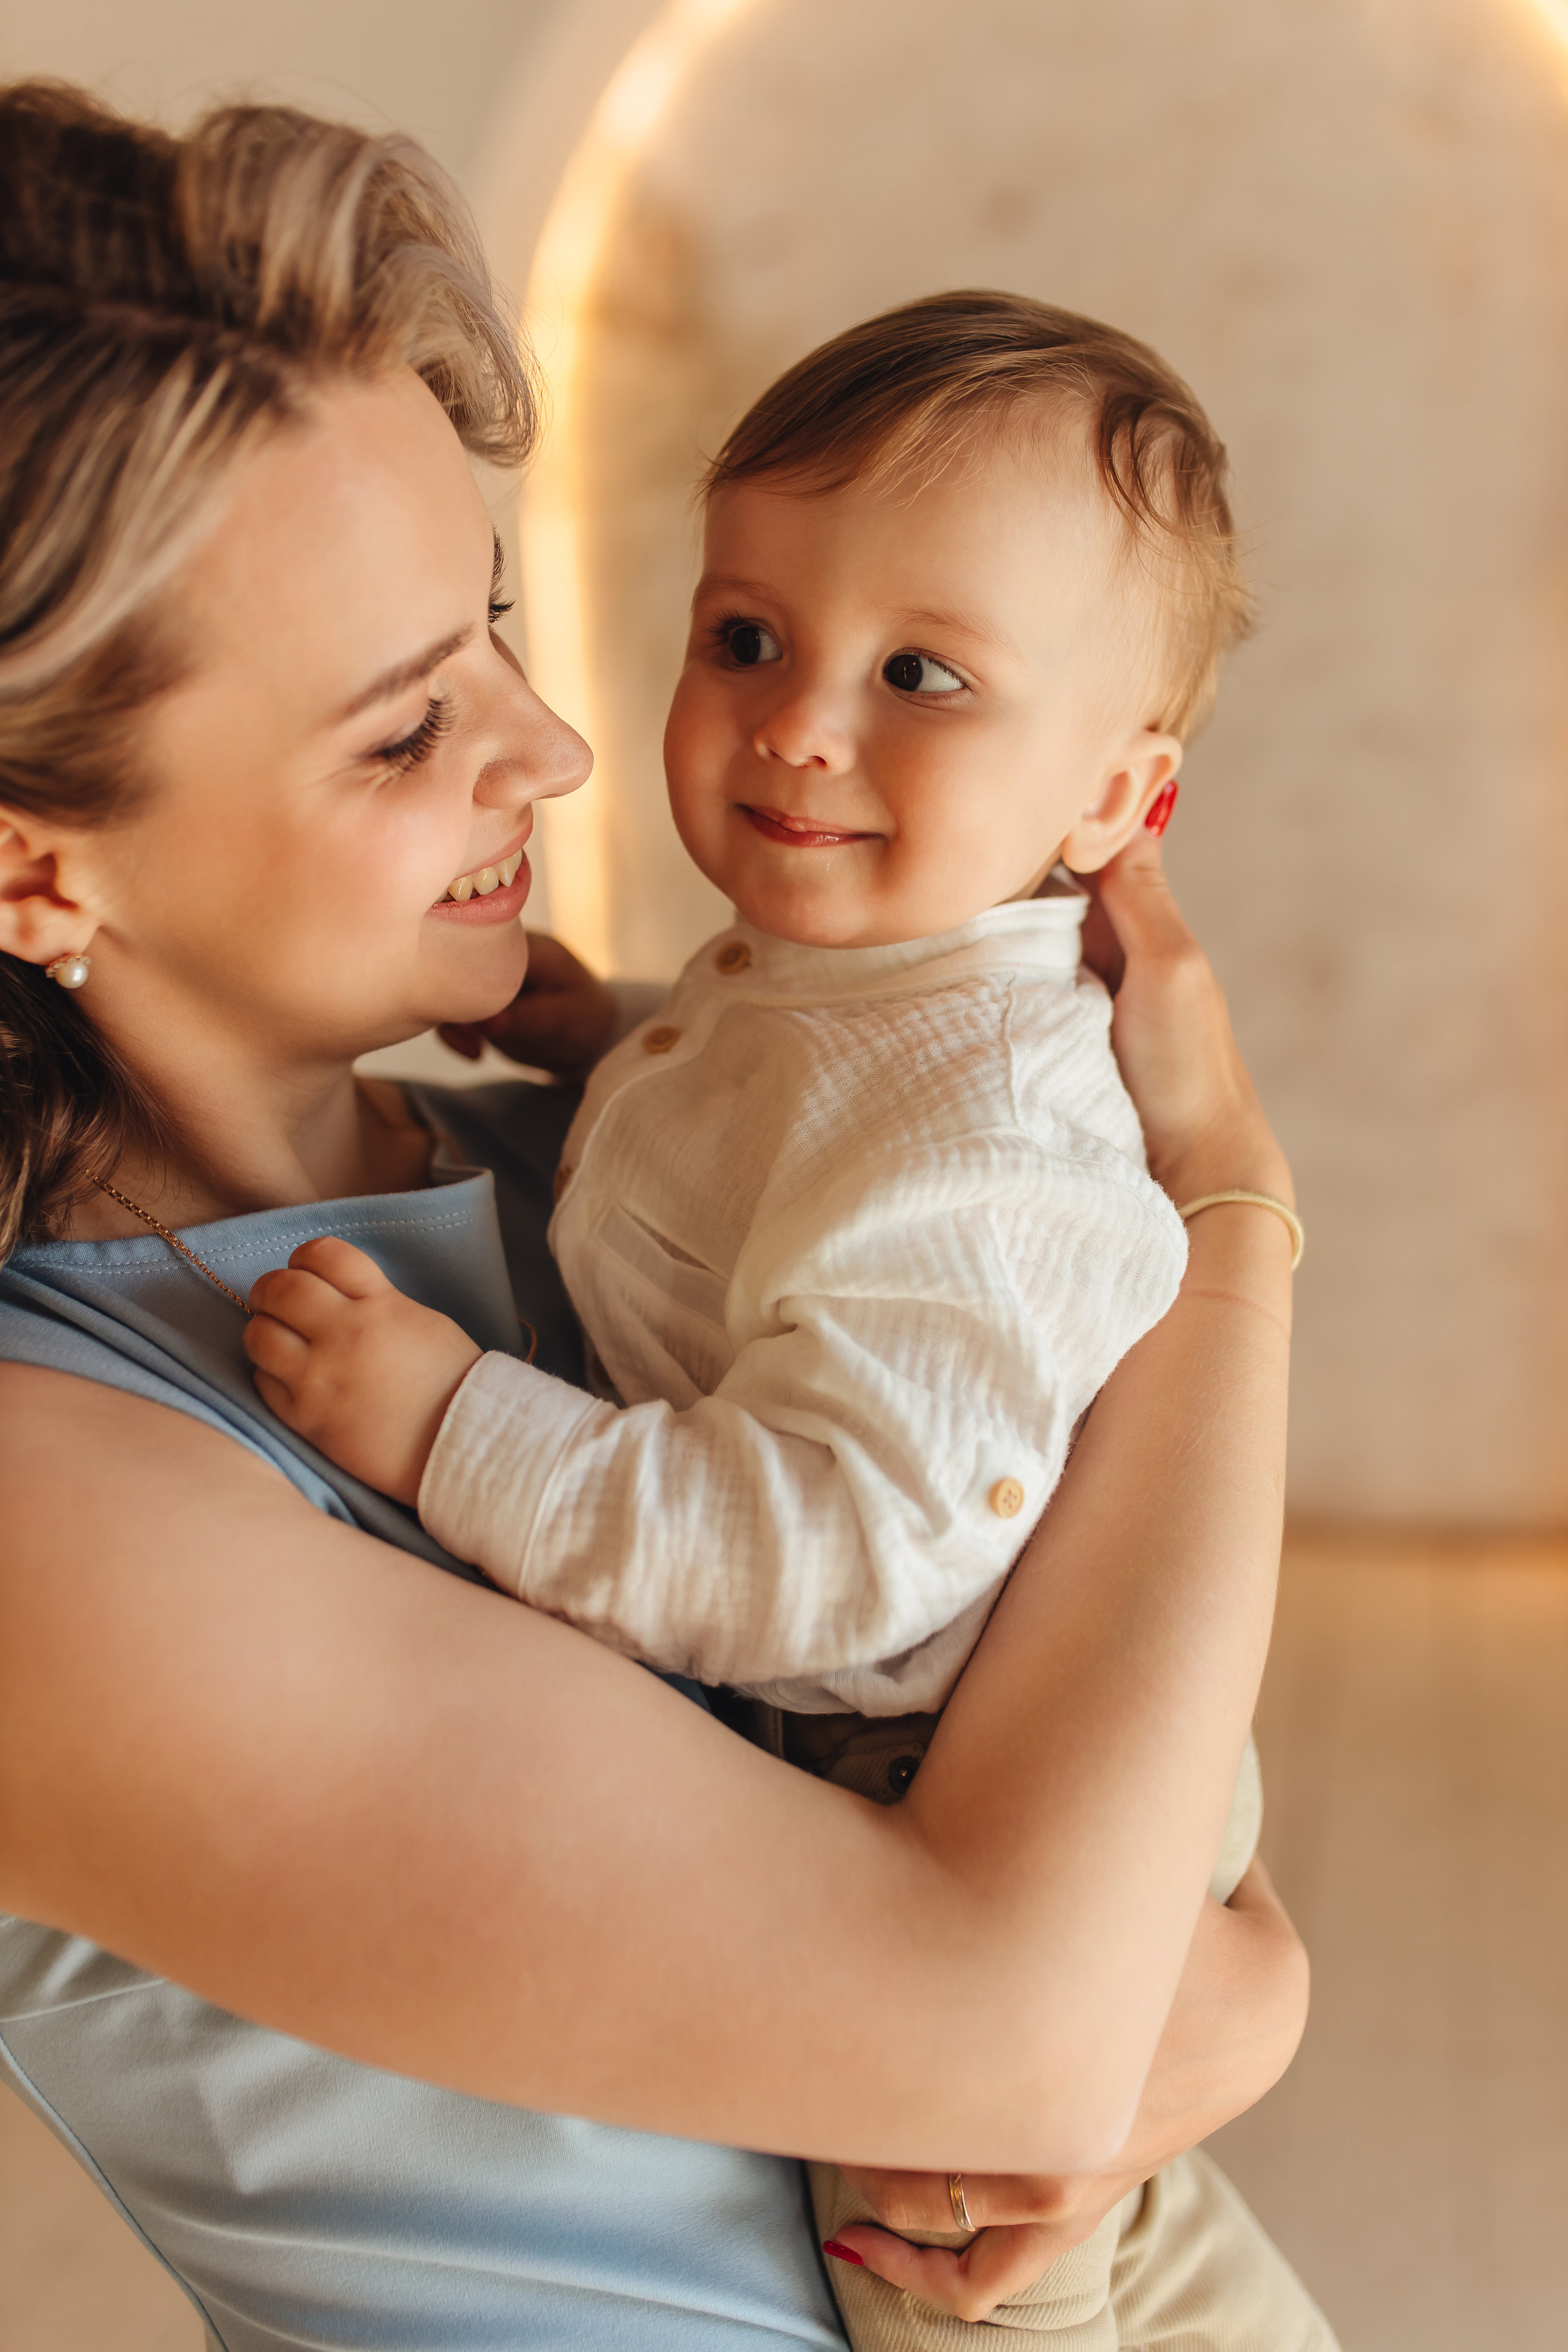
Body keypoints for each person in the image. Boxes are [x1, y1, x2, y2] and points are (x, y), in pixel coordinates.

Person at [0, 79, 1313, 2351]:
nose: (557, 750)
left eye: (493, 626)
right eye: (401, 729)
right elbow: (1022, 2032)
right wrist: (1232, 1220)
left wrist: (1239, 1993)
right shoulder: (53, 1502)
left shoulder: (616, 1175)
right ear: (39, 868)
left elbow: (1150, 1873)